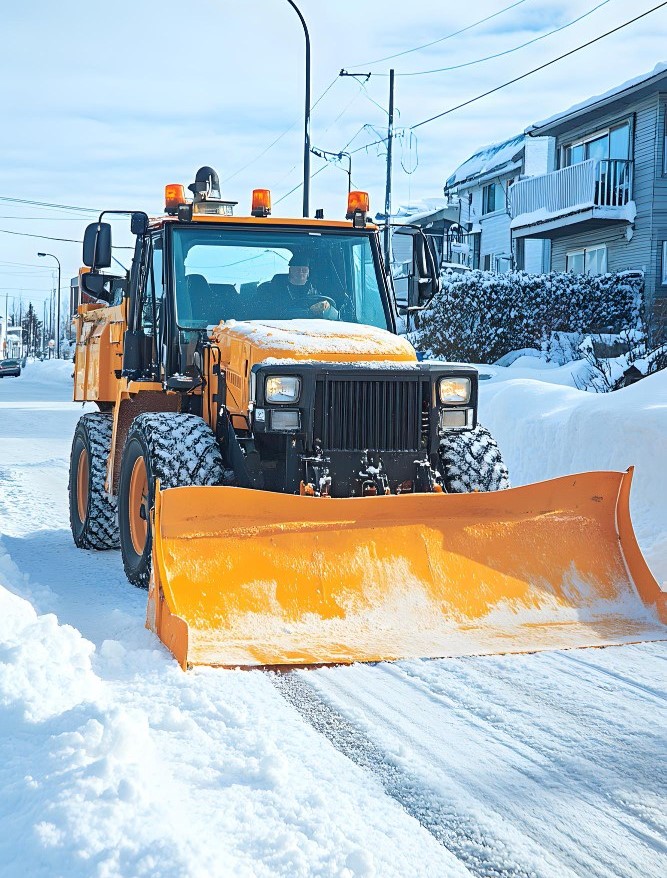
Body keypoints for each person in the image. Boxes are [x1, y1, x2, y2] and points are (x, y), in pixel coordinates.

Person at [256, 254, 339, 320]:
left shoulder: (317, 292)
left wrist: (326, 307)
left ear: (308, 273)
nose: (301, 273)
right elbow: (268, 314)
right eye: (297, 270)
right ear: (290, 271)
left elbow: (331, 316)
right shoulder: (271, 290)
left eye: (304, 270)